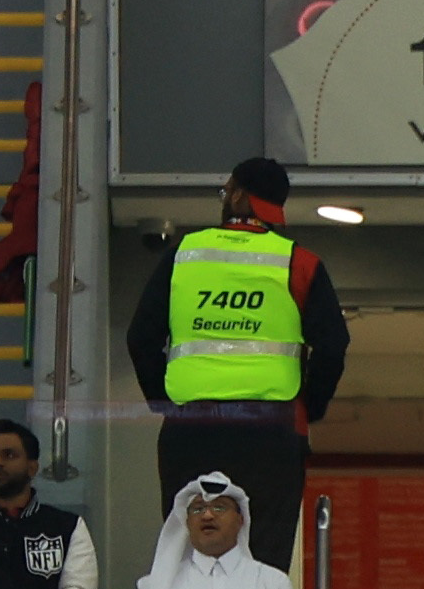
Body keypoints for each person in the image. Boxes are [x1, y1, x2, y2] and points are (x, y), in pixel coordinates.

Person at [131, 163, 338, 561]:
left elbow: (141, 337)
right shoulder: (299, 263)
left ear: (239, 195)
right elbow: (332, 345)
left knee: (186, 558)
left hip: (191, 429)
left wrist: (164, 401)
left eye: (225, 191)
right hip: (271, 433)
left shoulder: (184, 255)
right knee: (262, 561)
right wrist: (310, 406)